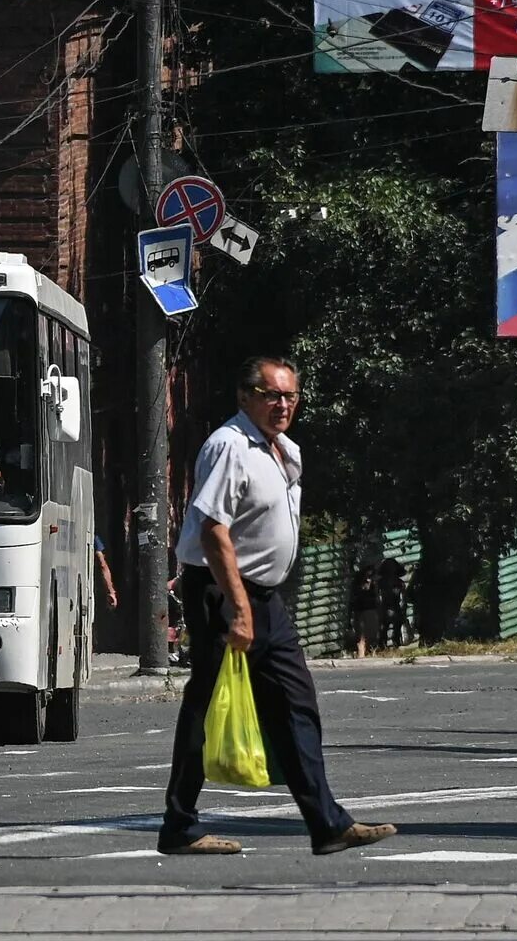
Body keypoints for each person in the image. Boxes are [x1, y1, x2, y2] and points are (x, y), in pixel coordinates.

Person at [159, 356, 395, 856]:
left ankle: (327, 823)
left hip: (264, 596)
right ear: (246, 397)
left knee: (296, 705)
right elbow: (212, 529)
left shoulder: (283, 450)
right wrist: (240, 611)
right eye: (272, 395)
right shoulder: (229, 445)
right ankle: (179, 825)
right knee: (206, 707)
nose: (283, 405)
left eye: (290, 396)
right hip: (224, 593)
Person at [350, 564, 381, 659]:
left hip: (369, 610)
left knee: (371, 635)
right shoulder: (358, 587)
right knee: (362, 636)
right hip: (363, 611)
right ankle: (362, 654)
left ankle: (369, 653)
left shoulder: (374, 585)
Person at [95, 535, 118, 610]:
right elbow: (104, 569)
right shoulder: (109, 588)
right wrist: (100, 557)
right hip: (101, 555)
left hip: (102, 555)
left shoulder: (110, 589)